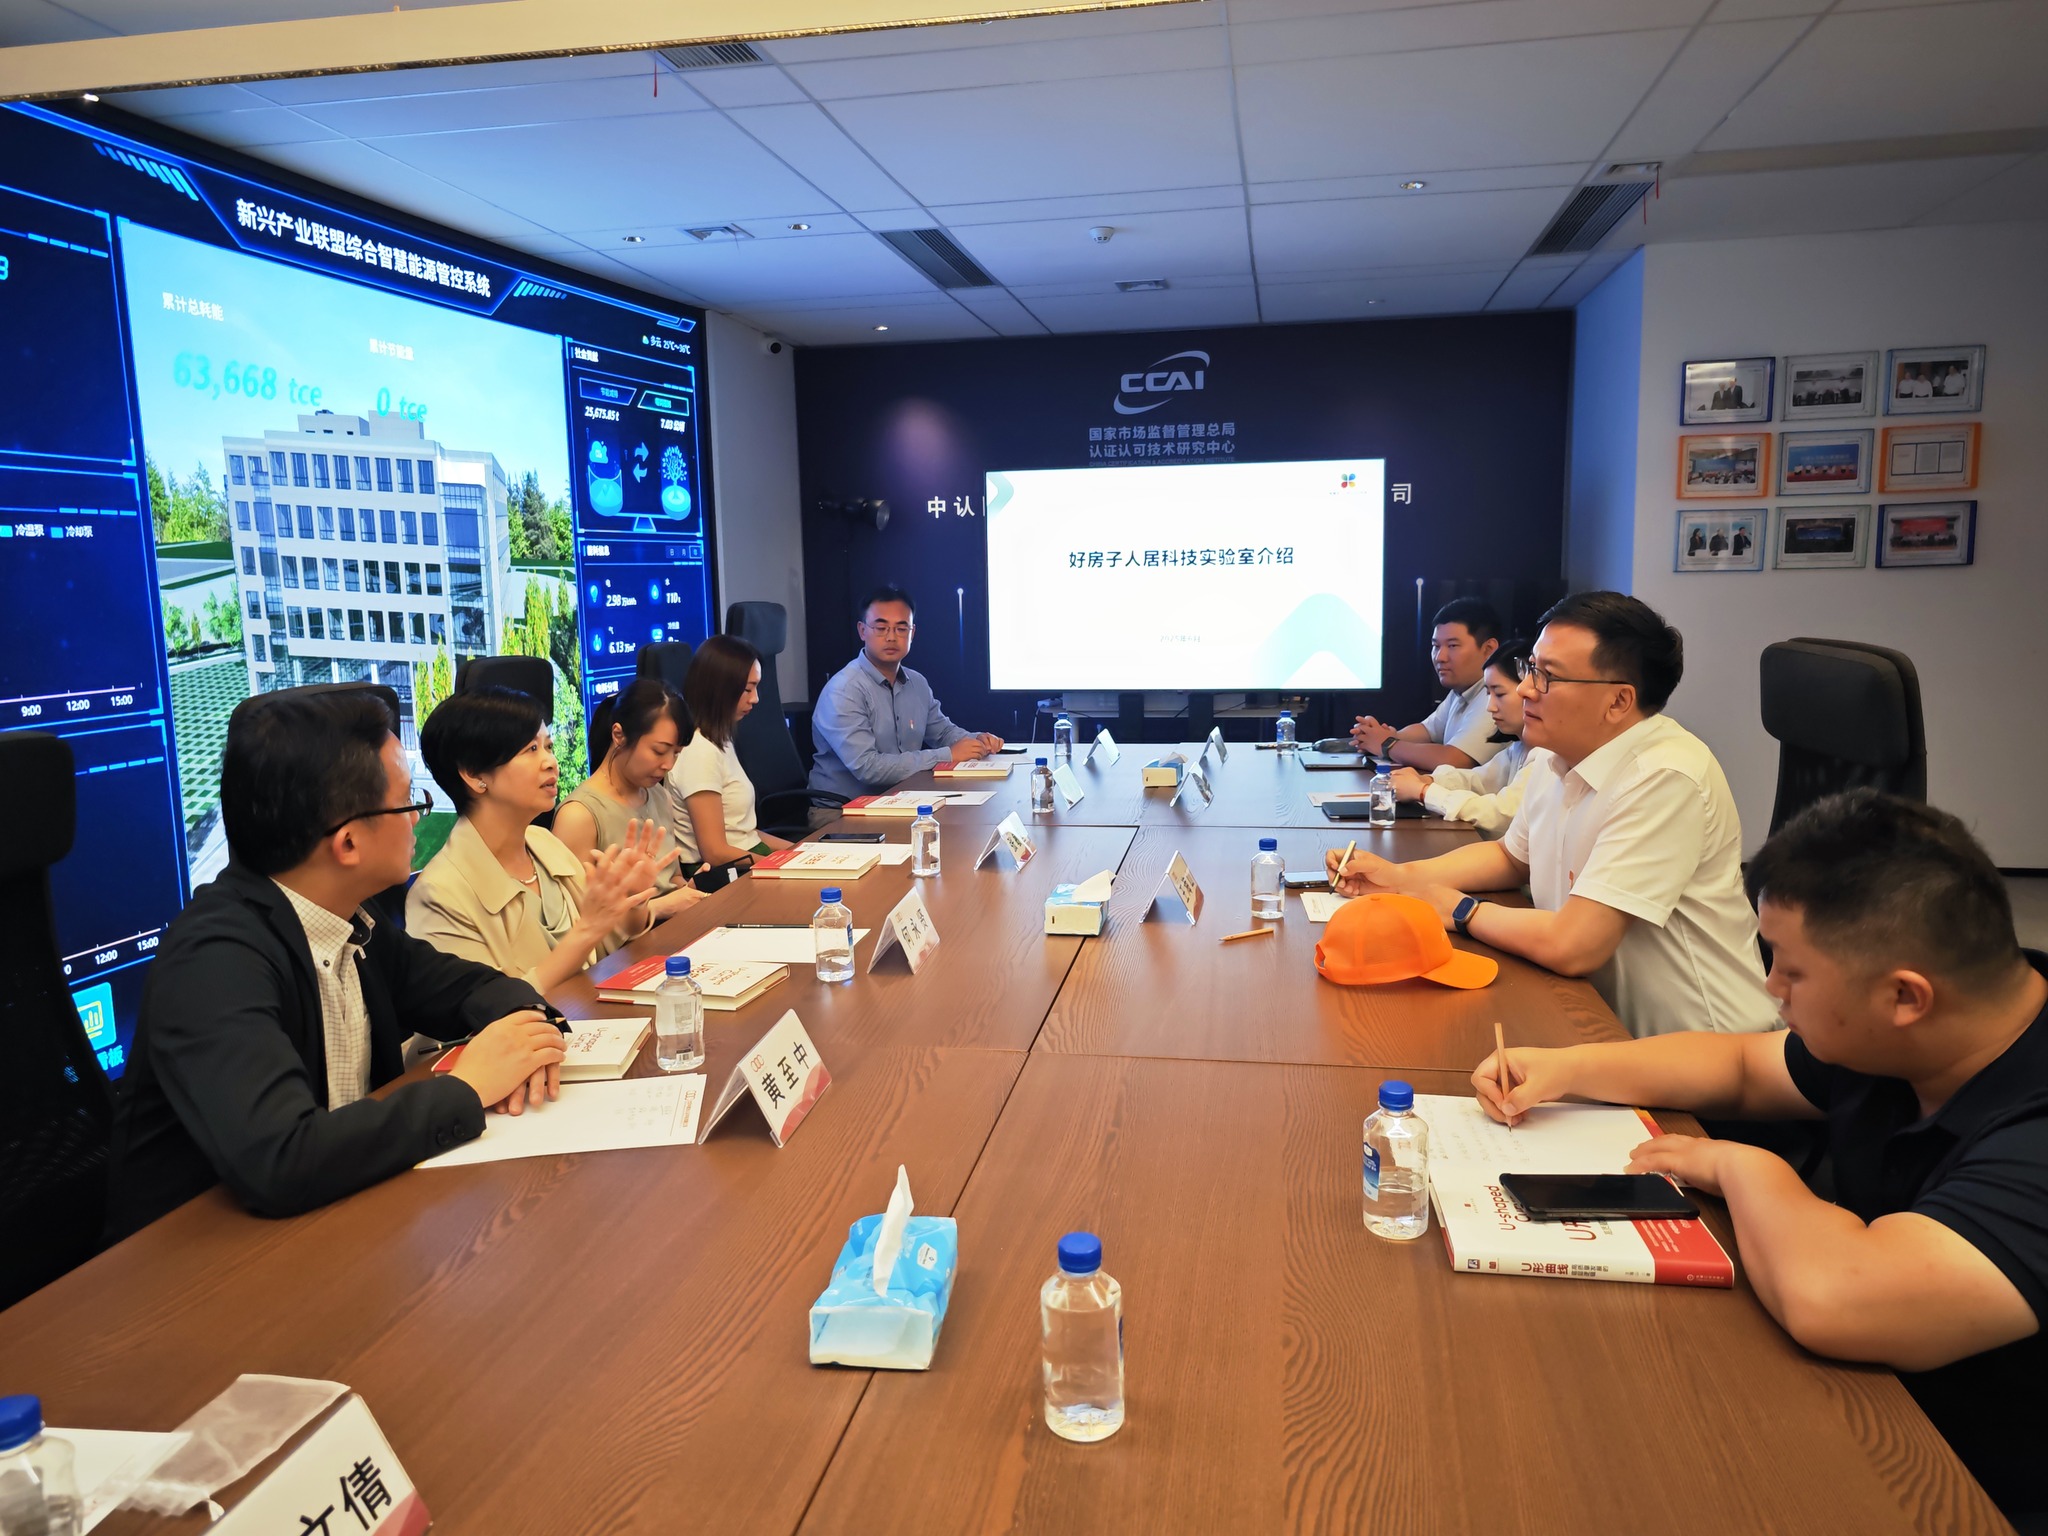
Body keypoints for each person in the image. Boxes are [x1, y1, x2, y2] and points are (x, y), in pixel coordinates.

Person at [1469, 791, 2047, 1527]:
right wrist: (1564, 1067)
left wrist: (1746, 1166)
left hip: (1956, 1479)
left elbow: (1835, 1298)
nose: (1770, 991)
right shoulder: (1916, 1028)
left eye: (1790, 973)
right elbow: (1740, 1066)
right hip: (1863, 1398)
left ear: (1906, 996)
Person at [105, 686, 568, 1239]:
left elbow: (464, 985)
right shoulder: (214, 960)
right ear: (348, 843)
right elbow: (283, 1157)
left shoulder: (351, 920)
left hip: (344, 1218)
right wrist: (467, 1088)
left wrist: (526, 1026)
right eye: (408, 802)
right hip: (203, 1263)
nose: (418, 819)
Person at [1327, 590, 1776, 1038]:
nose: (1525, 689)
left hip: (1701, 1044)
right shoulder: (1553, 754)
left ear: (1619, 701)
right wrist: (1401, 878)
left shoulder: (1665, 776)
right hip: (1591, 1015)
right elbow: (1510, 857)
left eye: (1547, 676)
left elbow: (1574, 944)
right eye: (1530, 669)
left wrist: (1460, 909)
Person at [407, 687, 689, 992]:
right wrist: (588, 930)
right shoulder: (439, 894)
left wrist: (633, 899)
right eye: (531, 749)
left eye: (548, 746)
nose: (551, 762)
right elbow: (486, 1006)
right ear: (474, 774)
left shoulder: (544, 844)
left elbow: (608, 946)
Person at [808, 584, 1003, 800]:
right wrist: (948, 755)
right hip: (842, 809)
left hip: (902, 800)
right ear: (862, 631)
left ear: (913, 633)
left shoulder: (917, 683)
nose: (891, 637)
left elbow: (943, 734)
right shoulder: (844, 690)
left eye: (901, 629)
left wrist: (977, 741)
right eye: (881, 628)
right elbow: (868, 767)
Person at [555, 677, 695, 908]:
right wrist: (659, 908)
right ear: (619, 735)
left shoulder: (660, 796)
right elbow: (577, 916)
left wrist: (689, 889)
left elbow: (671, 879)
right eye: (659, 751)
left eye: (676, 753)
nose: (669, 764)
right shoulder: (579, 815)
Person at [667, 634, 796, 870]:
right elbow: (715, 852)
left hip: (749, 857)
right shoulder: (699, 750)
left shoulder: (720, 738)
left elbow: (745, 833)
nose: (755, 699)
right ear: (720, 689)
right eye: (748, 689)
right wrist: (784, 866)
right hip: (725, 872)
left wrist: (802, 852)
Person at [1387, 639, 1531, 839]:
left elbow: (1502, 815)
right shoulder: (1520, 748)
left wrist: (1424, 791)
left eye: (1499, 694)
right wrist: (1427, 780)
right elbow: (1478, 780)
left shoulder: (1546, 754)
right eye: (1489, 694)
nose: (1490, 707)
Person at [1350, 597, 1506, 771]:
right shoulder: (1462, 690)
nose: (1440, 657)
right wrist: (1381, 735)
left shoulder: (1496, 697)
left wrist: (1386, 744)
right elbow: (1427, 730)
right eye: (1436, 646)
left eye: (1452, 646)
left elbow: (1455, 759)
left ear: (1488, 649)